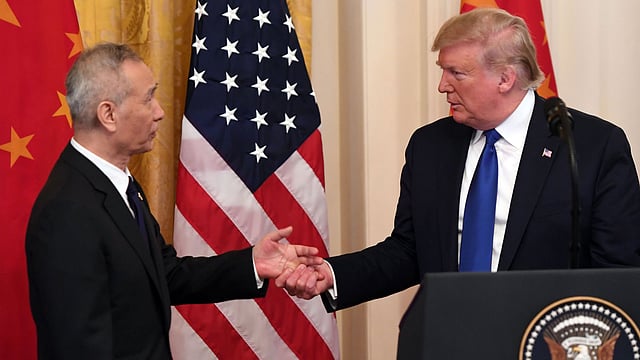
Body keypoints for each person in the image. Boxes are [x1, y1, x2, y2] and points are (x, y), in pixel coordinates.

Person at [277, 7, 640, 311]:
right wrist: (332, 274)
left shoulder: (589, 147)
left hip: (544, 340)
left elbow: (619, 270)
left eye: (457, 73)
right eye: (442, 70)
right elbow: (408, 251)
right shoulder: (430, 146)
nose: (443, 85)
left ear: (505, 78)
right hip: (448, 338)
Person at [25, 42, 323, 359]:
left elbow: (165, 274)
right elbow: (80, 348)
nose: (160, 112)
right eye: (148, 98)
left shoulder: (115, 184)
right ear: (109, 114)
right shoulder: (67, 212)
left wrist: (253, 263)